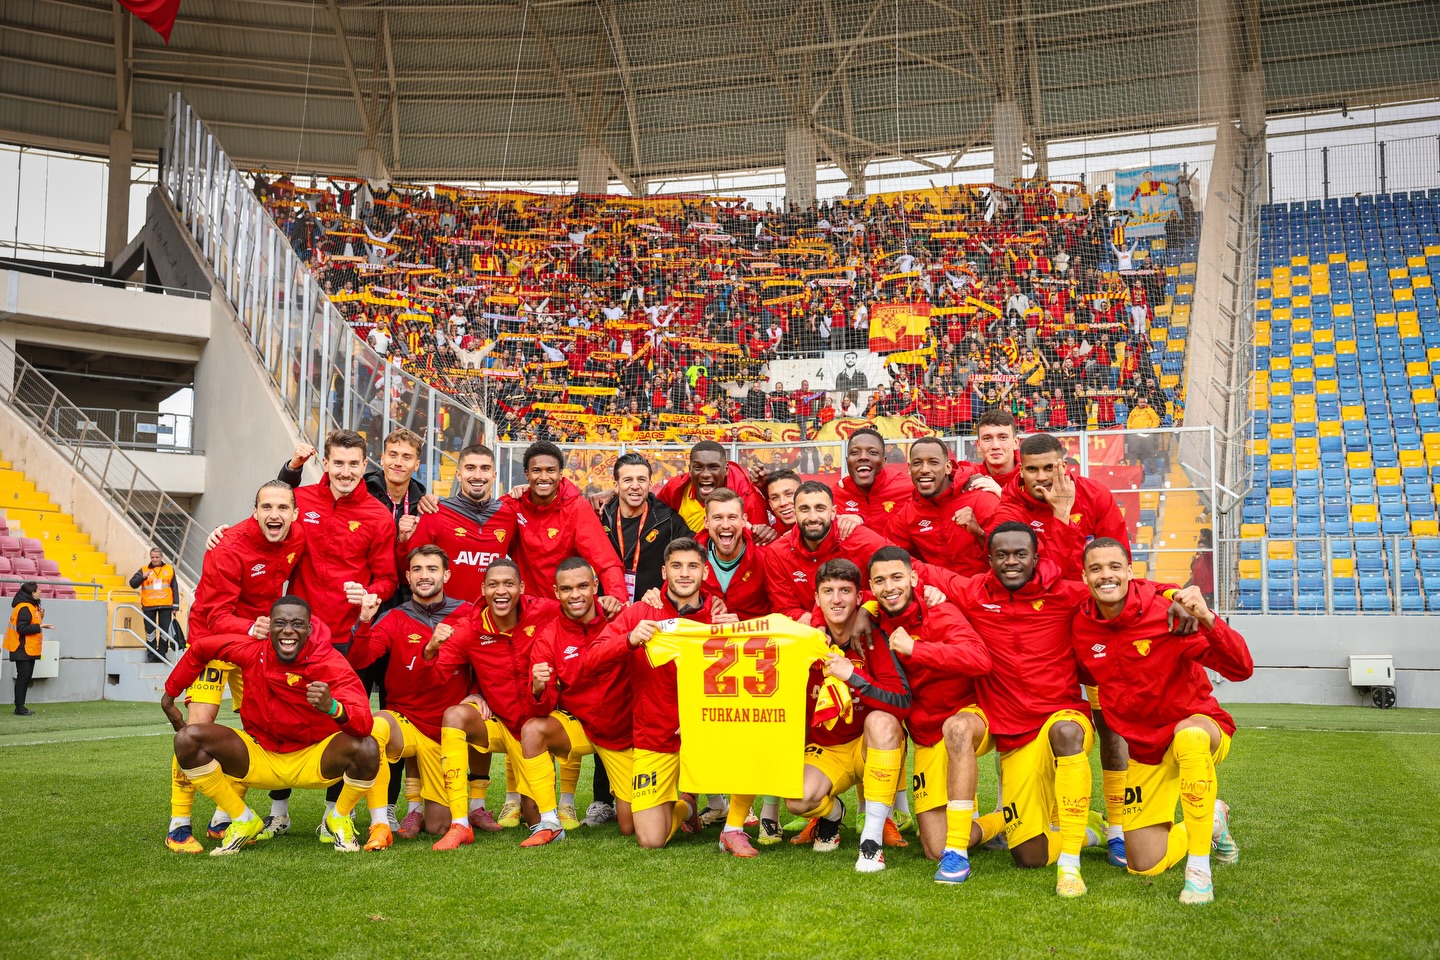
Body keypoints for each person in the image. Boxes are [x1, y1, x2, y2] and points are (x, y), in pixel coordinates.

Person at [1071, 539, 1252, 903]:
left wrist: (1206, 617)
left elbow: (1240, 668)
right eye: (1096, 568)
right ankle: (1212, 819)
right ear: (1085, 577)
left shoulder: (1169, 614)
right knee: (1143, 864)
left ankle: (1199, 873)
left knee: (1189, 737)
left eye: (1115, 566)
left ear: (1130, 571)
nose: (1106, 575)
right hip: (1145, 749)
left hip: (1197, 726)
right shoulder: (1081, 626)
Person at [159, 597, 379, 855]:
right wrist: (169, 695)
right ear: (268, 626)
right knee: (188, 738)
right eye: (280, 623)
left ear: (309, 629)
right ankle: (241, 817)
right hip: (261, 756)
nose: (288, 630)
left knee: (366, 746)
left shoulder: (328, 661)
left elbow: (364, 723)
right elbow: (201, 648)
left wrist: (334, 708)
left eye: (297, 624)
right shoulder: (252, 650)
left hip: (313, 759)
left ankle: (339, 817)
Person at [166, 481, 306, 851]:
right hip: (212, 641)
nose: (274, 514)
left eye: (282, 508)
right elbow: (215, 615)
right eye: (266, 507)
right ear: (254, 511)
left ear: (295, 513)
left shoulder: (298, 538)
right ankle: (178, 823)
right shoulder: (228, 547)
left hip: (255, 645)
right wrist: (250, 627)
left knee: (259, 729)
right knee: (196, 730)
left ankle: (225, 816)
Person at [585, 540, 730, 851]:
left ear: (705, 572)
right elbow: (591, 659)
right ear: (664, 571)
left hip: (703, 734)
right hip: (655, 738)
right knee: (650, 839)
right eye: (677, 566)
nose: (685, 573)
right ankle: (687, 806)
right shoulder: (641, 612)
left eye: (692, 566)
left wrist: (736, 634)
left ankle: (735, 810)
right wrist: (628, 639)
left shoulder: (719, 618)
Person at [347, 546, 486, 850]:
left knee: (438, 827)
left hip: (444, 729)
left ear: (446, 575)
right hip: (406, 721)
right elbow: (360, 659)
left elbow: (487, 657)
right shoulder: (394, 617)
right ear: (408, 577)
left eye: (432, 569)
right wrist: (365, 620)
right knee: (375, 726)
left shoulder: (467, 613)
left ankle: (438, 809)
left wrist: (477, 692)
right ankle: (380, 824)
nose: (425, 575)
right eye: (418, 570)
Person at [785, 559, 911, 870]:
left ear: (859, 597)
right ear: (817, 599)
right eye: (828, 591)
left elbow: (901, 701)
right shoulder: (803, 641)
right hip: (827, 748)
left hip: (870, 744)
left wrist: (853, 676)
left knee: (882, 720)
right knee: (798, 801)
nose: (837, 599)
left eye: (845, 591)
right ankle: (833, 815)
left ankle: (871, 840)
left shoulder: (874, 636)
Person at [427, 559, 562, 851]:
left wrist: (609, 603)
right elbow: (437, 674)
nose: (501, 591)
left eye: (508, 584)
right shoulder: (469, 628)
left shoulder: (544, 611)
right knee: (455, 715)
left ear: (521, 588)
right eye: (493, 584)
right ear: (483, 589)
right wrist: (432, 649)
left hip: (537, 727)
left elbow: (581, 610)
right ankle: (460, 824)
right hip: (498, 722)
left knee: (536, 818)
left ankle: (546, 806)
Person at [522, 558, 634, 844]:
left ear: (595, 586)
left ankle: (684, 807)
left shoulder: (619, 618)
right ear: (556, 592)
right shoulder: (549, 636)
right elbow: (539, 707)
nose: (575, 595)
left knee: (631, 827)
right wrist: (538, 688)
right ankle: (549, 821)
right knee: (533, 729)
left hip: (621, 731)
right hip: (580, 726)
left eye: (583, 586)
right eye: (566, 589)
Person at [992, 433, 1129, 580]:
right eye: (1032, 469)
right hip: (1041, 593)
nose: (1041, 477)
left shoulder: (1095, 495)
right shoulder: (1009, 510)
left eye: (1049, 468)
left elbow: (1118, 561)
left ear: (1063, 466)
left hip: (1089, 591)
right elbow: (1039, 577)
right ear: (1021, 470)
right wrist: (1061, 514)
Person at [511, 441, 628, 608]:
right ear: (527, 474)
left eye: (550, 470)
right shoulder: (513, 505)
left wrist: (617, 599)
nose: (543, 477)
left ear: (560, 474)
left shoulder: (576, 508)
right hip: (526, 611)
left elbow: (605, 561)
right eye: (537, 470)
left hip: (567, 610)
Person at [398, 443, 518, 603]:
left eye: (485, 468)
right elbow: (408, 570)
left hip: (492, 615)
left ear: (494, 476)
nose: (477, 475)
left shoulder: (508, 516)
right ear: (459, 475)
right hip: (446, 615)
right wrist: (403, 541)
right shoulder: (435, 512)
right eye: (470, 468)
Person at [763, 481, 889, 621]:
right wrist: (818, 623)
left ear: (833, 512)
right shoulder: (777, 552)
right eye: (804, 509)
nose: (812, 517)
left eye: (820, 508)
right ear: (795, 513)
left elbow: (900, 579)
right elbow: (785, 608)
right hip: (810, 630)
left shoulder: (863, 541)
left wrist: (866, 609)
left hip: (864, 626)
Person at [888, 437, 1001, 576]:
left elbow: (1007, 555)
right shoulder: (907, 515)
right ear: (909, 468)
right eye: (917, 463)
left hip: (984, 586)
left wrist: (979, 533)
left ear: (948, 467)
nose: (924, 470)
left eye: (933, 462)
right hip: (938, 589)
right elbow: (889, 561)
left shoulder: (981, 498)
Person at [599, 453, 694, 603]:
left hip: (651, 608)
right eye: (628, 480)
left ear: (650, 484)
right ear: (616, 485)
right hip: (609, 607)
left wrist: (666, 593)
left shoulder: (667, 520)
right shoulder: (601, 517)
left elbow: (697, 551)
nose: (635, 486)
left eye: (641, 480)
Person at [653, 440, 772, 535]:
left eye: (713, 467)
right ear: (690, 469)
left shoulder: (748, 498)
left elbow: (761, 546)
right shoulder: (675, 488)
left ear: (726, 469)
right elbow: (653, 521)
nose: (705, 474)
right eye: (698, 467)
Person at [696, 489, 771, 620]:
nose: (725, 525)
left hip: (754, 632)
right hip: (707, 632)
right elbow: (671, 604)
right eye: (717, 518)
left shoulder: (767, 558)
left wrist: (742, 626)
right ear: (706, 522)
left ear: (743, 520)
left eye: (732, 517)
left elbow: (784, 611)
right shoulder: (689, 558)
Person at [832, 429, 917, 539]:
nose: (863, 457)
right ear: (847, 461)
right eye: (855, 452)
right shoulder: (835, 494)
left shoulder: (909, 488)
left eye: (873, 452)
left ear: (883, 461)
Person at [4, 582, 49, 716]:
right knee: (23, 677)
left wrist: (40, 618)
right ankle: (19, 707)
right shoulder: (25, 607)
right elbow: (22, 628)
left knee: (25, 677)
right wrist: (40, 626)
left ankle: (20, 706)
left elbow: (29, 623)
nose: (40, 591)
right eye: (38, 590)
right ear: (32, 593)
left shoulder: (31, 606)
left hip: (28, 648)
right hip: (22, 647)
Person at [130, 547, 178, 658]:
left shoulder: (169, 569)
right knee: (150, 631)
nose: (155, 559)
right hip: (149, 606)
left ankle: (162, 654)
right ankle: (151, 654)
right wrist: (142, 577)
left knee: (164, 631)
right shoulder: (144, 570)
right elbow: (132, 584)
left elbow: (174, 587)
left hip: (166, 605)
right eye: (152, 557)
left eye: (157, 557)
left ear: (161, 557)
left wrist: (175, 606)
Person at [974, 407, 1021, 481]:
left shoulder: (1032, 477)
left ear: (1016, 443)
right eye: (987, 439)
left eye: (1003, 438)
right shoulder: (967, 479)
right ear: (978, 445)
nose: (995, 446)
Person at [763, 469, 801, 535]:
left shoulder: (820, 534)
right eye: (775, 498)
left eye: (789, 494)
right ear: (770, 504)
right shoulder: (768, 538)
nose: (782, 503)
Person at [1188, 528, 1215, 608]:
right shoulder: (1198, 559)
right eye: (1199, 547)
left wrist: (1204, 551)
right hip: (1197, 590)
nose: (1200, 549)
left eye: (1202, 547)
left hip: (1206, 591)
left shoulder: (1208, 557)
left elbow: (1207, 554)